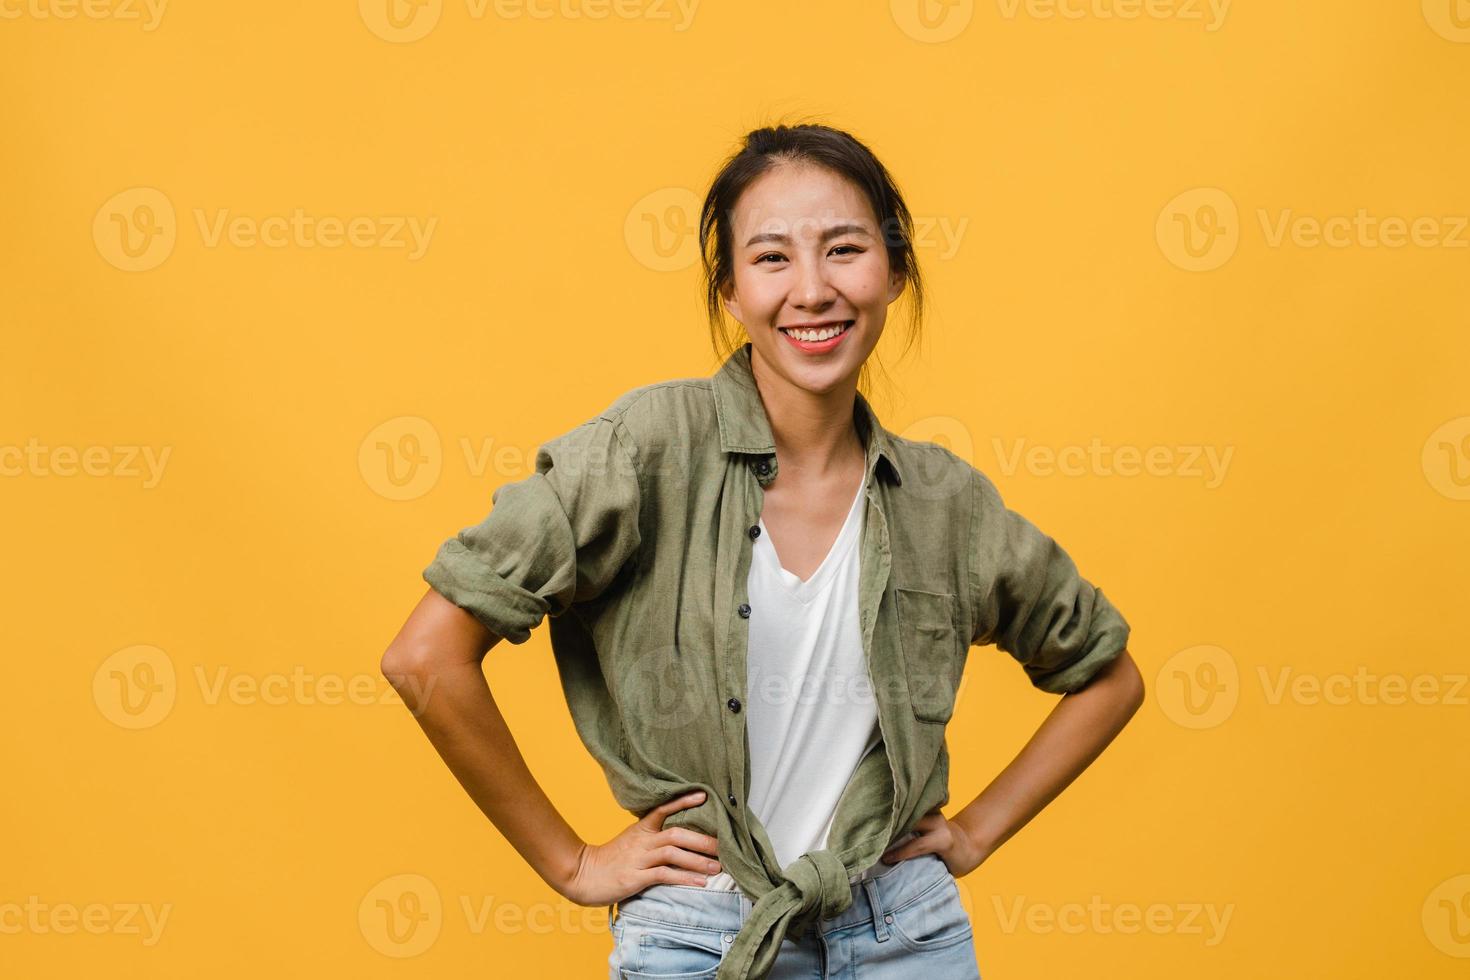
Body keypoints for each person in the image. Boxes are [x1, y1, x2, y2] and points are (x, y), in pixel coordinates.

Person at [380, 121, 1145, 980]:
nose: (812, 290)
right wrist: (573, 863)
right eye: (772, 257)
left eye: (845, 249)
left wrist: (974, 832)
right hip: (697, 936)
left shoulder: (945, 503)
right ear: (731, 293)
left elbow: (1107, 675)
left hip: (905, 937)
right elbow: (425, 658)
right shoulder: (644, 451)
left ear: (894, 273)